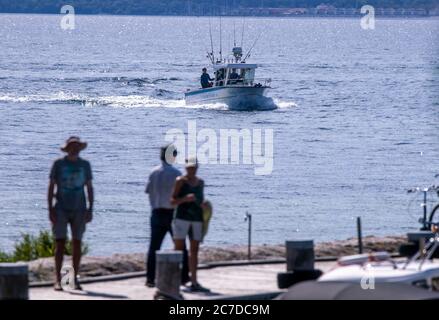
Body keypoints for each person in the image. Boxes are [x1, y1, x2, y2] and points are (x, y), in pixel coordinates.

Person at [48, 136, 94, 291]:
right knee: (59, 243)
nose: (74, 149)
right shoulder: (59, 164)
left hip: (79, 208)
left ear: (80, 149)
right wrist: (50, 209)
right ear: (67, 149)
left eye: (77, 146)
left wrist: (90, 209)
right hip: (61, 207)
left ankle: (74, 279)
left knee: (77, 243)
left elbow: (89, 187)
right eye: (71, 146)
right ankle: (58, 280)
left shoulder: (85, 165)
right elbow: (51, 187)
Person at [145, 145, 190, 287]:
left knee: (154, 247)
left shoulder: (153, 172)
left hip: (156, 212)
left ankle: (150, 278)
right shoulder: (177, 174)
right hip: (172, 213)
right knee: (181, 246)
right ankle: (184, 277)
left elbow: (148, 191)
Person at [171, 157, 209, 292]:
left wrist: (204, 205)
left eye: (194, 167)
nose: (191, 170)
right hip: (182, 218)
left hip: (197, 219)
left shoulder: (201, 182)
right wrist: (184, 199)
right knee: (178, 250)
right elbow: (172, 201)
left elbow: (200, 200)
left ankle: (194, 281)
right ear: (185, 168)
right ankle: (175, 281)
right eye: (189, 167)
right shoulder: (180, 181)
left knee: (194, 251)